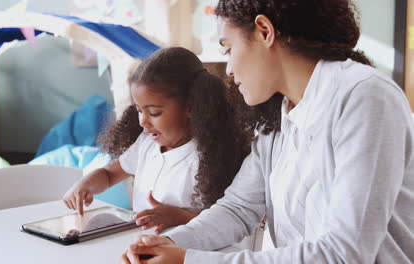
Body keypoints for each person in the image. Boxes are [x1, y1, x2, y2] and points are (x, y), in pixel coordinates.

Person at [121, 0, 414, 263]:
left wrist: (188, 260)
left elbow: (344, 253)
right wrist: (169, 243)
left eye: (229, 48)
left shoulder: (364, 96)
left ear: (264, 31)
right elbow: (238, 208)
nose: (230, 68)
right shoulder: (276, 117)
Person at [63, 47, 252, 234]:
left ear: (191, 106)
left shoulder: (210, 157)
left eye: (154, 113)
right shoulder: (146, 144)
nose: (143, 122)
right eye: (139, 110)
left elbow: (226, 223)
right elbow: (109, 174)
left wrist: (179, 216)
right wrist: (85, 185)